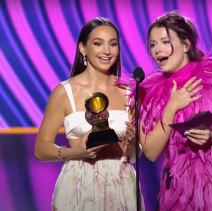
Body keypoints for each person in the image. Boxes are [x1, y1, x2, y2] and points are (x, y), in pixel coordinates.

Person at [123, 12, 212, 211]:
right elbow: (150, 152)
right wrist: (171, 106)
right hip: (178, 188)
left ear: (186, 45)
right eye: (152, 45)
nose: (157, 50)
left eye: (165, 42)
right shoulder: (148, 92)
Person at [35, 17, 144, 211]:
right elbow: (41, 149)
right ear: (82, 48)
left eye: (113, 44)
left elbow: (135, 155)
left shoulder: (130, 91)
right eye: (98, 43)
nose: (107, 51)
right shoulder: (64, 92)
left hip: (122, 186)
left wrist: (130, 147)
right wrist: (75, 152)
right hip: (78, 187)